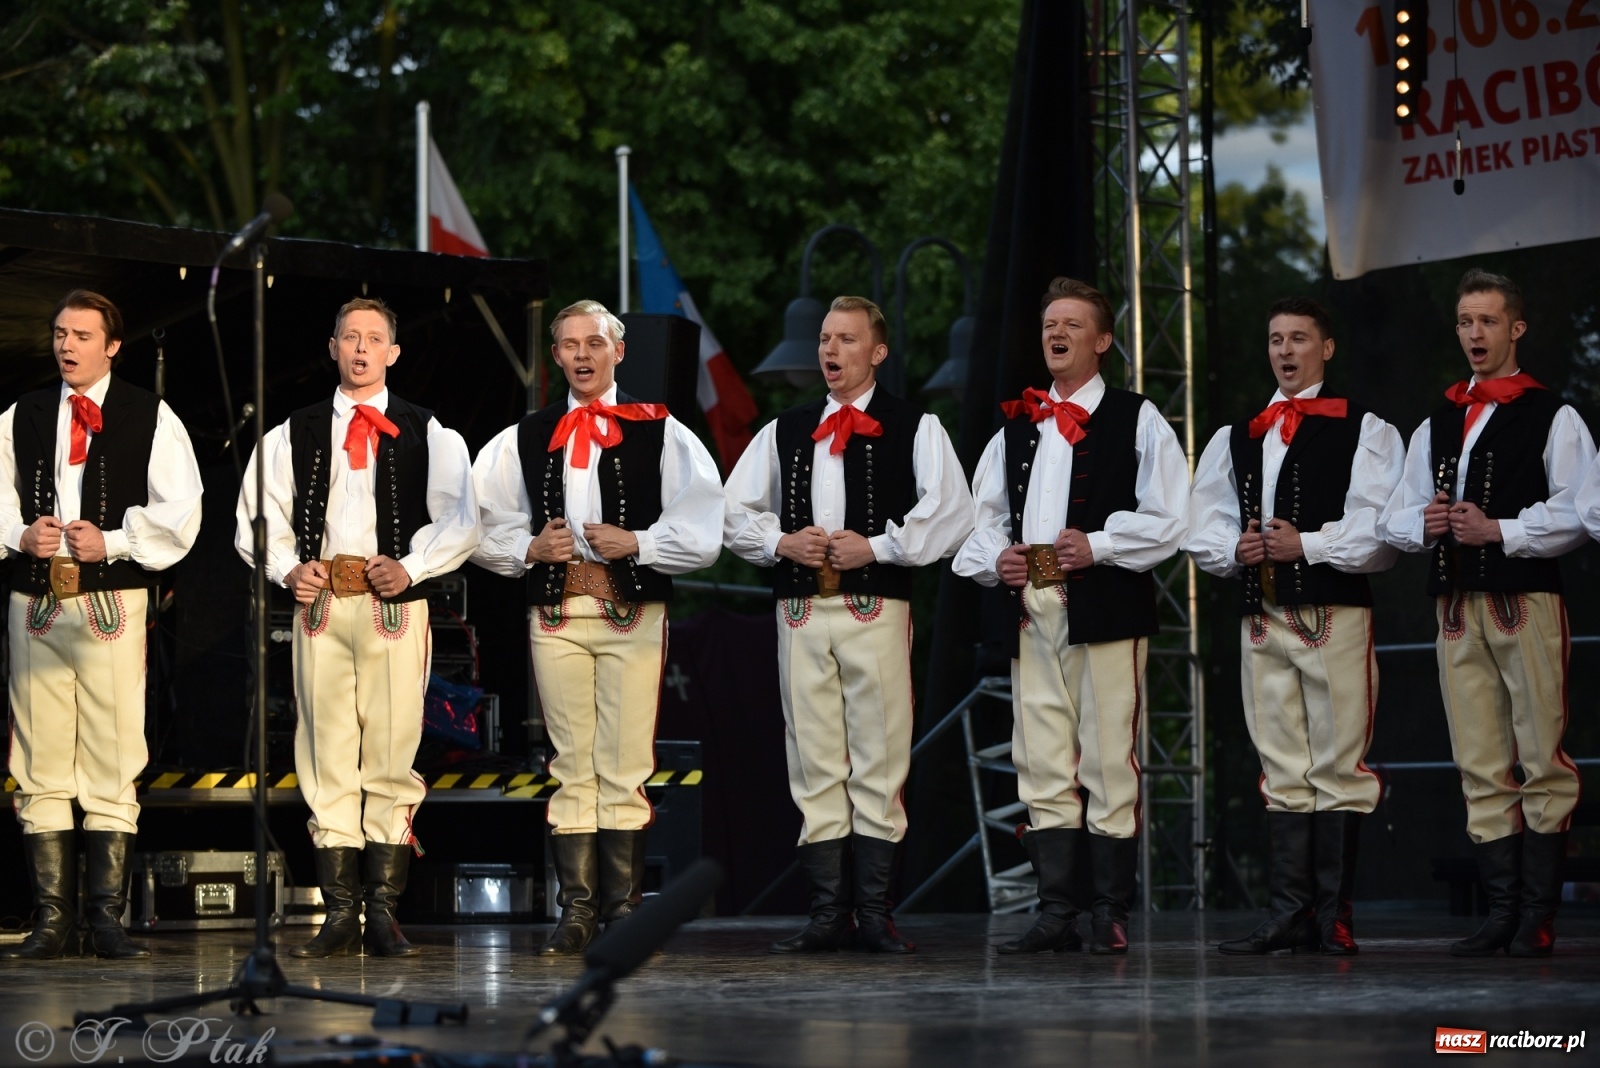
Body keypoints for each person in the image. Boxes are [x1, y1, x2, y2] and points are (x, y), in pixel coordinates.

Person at [472, 299, 722, 956]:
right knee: (573, 762)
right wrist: (529, 550)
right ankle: (578, 909)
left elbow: (703, 532)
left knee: (625, 762)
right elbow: (475, 523)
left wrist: (635, 541)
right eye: (570, 345)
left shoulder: (660, 430)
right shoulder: (525, 435)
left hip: (632, 611)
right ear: (555, 356)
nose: (582, 355)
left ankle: (622, 911)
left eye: (594, 343)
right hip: (556, 613)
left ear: (618, 350)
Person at [724, 295, 973, 955]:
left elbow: (951, 512)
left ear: (877, 351)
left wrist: (880, 546)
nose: (830, 351)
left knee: (879, 752)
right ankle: (828, 912)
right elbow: (731, 511)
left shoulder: (914, 426)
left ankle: (874, 911)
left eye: (846, 340)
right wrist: (783, 543)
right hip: (802, 609)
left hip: (875, 606)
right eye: (826, 340)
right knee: (812, 756)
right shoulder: (787, 428)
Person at [236, 297, 479, 958]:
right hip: (323, 604)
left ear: (393, 352)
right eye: (351, 337)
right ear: (334, 347)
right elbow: (257, 518)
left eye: (375, 338)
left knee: (392, 748)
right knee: (326, 748)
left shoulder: (429, 432)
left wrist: (413, 566)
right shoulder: (296, 431)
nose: (363, 348)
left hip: (393, 607)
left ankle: (382, 909)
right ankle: (340, 910)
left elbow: (461, 519)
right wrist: (289, 570)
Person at [953, 276, 1188, 956]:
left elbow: (1172, 520)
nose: (1057, 334)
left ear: (1103, 340)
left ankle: (1108, 910)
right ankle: (1056, 908)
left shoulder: (1136, 416)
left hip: (1106, 604)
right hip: (1033, 606)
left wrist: (1102, 543)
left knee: (1109, 757)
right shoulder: (1016, 426)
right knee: (1041, 757)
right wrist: (996, 559)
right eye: (1050, 323)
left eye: (1073, 325)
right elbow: (980, 520)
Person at [1380, 269, 1595, 958]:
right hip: (1455, 605)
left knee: (1541, 753)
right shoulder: (1438, 420)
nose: (1476, 333)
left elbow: (1586, 509)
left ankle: (1536, 913)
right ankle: (1502, 909)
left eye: (1488, 321)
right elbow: (1393, 519)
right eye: (1467, 322)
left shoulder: (1552, 414)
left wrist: (1500, 529)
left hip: (1523, 599)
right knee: (1478, 757)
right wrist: (1431, 520)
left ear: (1516, 328)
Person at [1185, 296, 1404, 955]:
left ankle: (1333, 915)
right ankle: (1290, 911)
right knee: (1281, 762)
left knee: (1338, 761)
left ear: (1326, 348)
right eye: (1276, 339)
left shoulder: (1365, 428)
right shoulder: (1239, 433)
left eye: (1299, 339)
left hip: (1333, 612)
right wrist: (1237, 550)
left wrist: (1305, 544)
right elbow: (1204, 527)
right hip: (1263, 615)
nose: (1284, 351)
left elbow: (1382, 532)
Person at [0, 289, 203, 961]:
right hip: (36, 599)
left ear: (111, 345)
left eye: (82, 334)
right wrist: (20, 532)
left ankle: (106, 916)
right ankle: (53, 917)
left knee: (113, 750)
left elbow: (182, 511)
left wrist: (113, 541)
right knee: (40, 753)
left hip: (112, 601)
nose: (67, 345)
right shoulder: (22, 413)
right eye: (60, 332)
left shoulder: (150, 413)